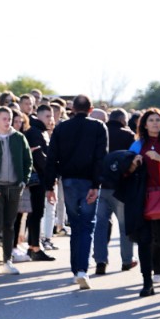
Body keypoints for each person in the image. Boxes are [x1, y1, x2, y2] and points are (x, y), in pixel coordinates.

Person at [45, 94, 108, 290]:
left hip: (69, 181)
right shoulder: (98, 127)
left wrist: (49, 186)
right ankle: (82, 269)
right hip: (89, 181)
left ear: (72, 109)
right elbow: (101, 157)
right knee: (87, 225)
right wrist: (97, 185)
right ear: (91, 109)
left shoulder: (62, 127)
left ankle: (76, 270)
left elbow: (52, 157)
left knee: (76, 225)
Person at [125, 108, 160, 296]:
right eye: (151, 120)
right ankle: (147, 283)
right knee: (144, 242)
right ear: (144, 124)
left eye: (158, 120)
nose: (155, 123)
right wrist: (133, 164)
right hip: (142, 198)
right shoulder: (137, 145)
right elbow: (127, 171)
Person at [0, 106, 33, 275]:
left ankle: (8, 260)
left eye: (9, 118)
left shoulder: (18, 138)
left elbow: (28, 160)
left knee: (10, 225)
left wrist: (23, 181)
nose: (7, 121)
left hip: (14, 186)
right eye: (4, 118)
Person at [93, 108, 137, 273]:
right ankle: (127, 260)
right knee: (125, 225)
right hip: (121, 188)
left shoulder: (99, 133)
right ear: (123, 120)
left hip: (101, 185)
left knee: (100, 225)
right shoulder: (128, 135)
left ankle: (100, 261)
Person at [23, 104, 57, 262]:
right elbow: (40, 158)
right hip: (36, 179)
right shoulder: (36, 132)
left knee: (37, 213)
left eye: (52, 116)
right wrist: (51, 176)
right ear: (39, 116)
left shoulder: (41, 131)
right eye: (47, 116)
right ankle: (34, 247)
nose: (51, 119)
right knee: (36, 213)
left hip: (39, 178)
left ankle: (33, 246)